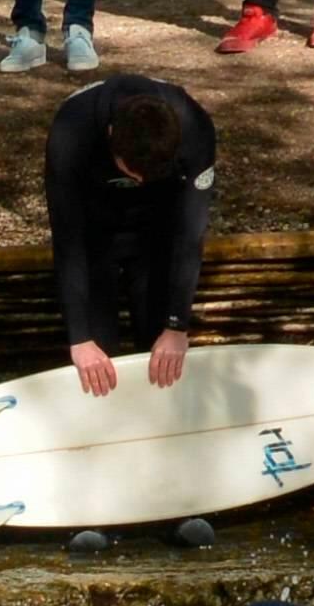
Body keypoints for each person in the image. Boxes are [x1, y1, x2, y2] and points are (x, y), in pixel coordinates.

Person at [49, 67, 221, 405]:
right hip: (94, 231)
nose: (141, 181)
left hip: (157, 232)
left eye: (152, 175)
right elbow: (67, 237)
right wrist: (80, 338)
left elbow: (191, 230)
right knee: (96, 356)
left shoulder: (195, 126)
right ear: (111, 137)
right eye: (133, 173)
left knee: (162, 349)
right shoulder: (72, 129)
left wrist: (176, 326)